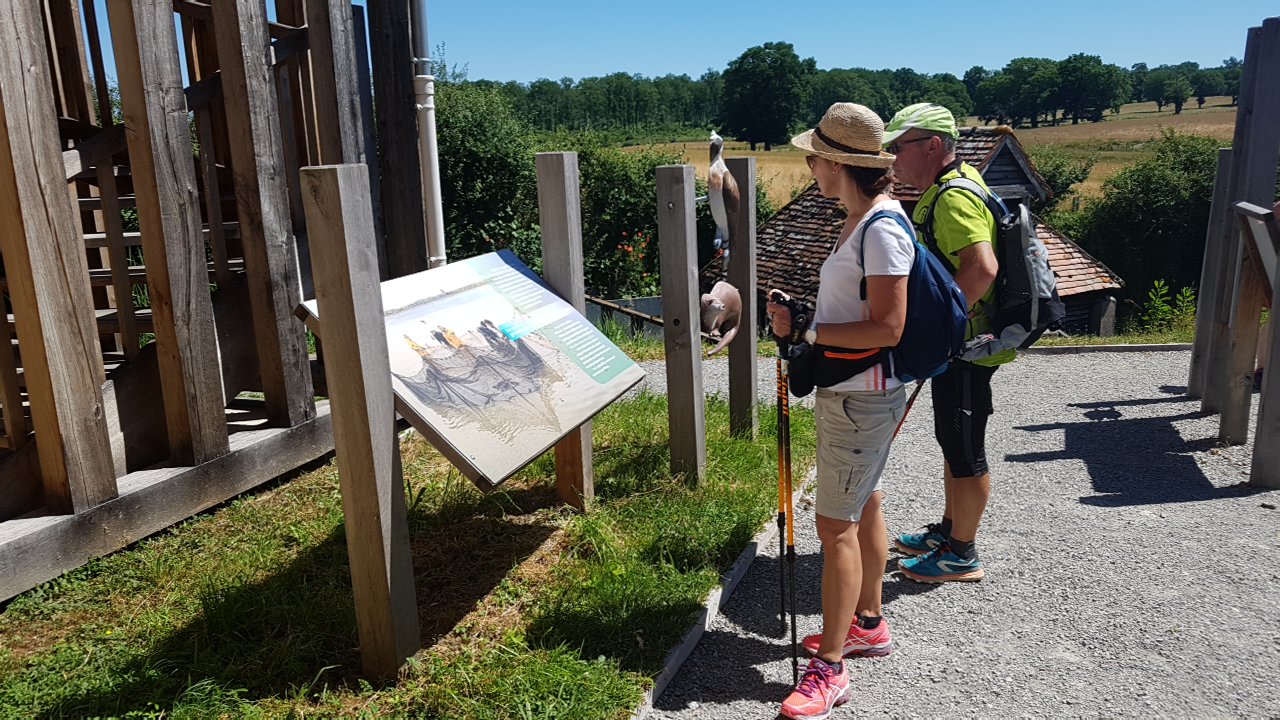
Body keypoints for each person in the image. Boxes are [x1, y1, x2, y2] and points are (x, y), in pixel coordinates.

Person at [767, 103, 912, 720]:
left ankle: (829, 669)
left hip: (861, 394)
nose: (808, 167)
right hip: (861, 390)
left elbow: (888, 325)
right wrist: (808, 322)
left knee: (835, 529)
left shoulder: (878, 228)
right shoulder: (864, 219)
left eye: (814, 158)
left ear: (836, 164)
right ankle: (867, 623)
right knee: (866, 501)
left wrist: (808, 329)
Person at [881, 103, 1010, 583]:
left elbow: (981, 268)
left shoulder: (953, 198)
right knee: (952, 439)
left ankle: (961, 554)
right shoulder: (961, 182)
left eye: (899, 147)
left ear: (933, 146)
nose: (893, 159)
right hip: (970, 342)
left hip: (969, 347)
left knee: (964, 445)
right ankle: (950, 529)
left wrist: (944, 329)